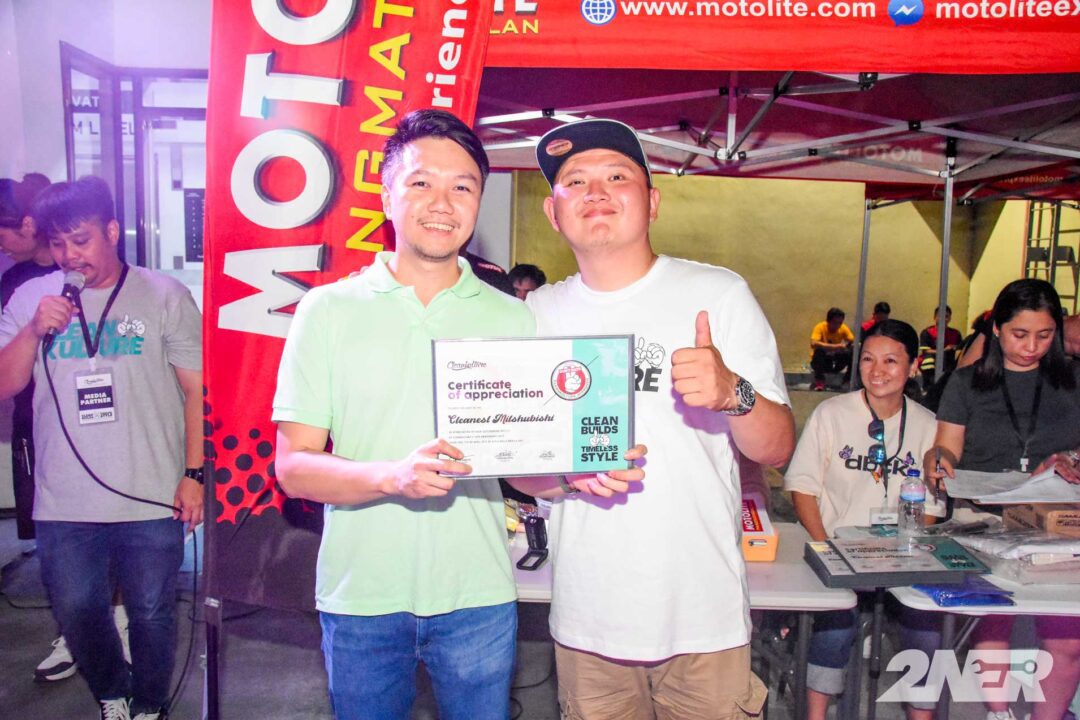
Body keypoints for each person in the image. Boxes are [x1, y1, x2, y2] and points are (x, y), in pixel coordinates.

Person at [271, 110, 643, 720]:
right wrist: (392, 476)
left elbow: (519, 470)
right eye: (421, 182)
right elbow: (294, 468)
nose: (442, 203)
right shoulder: (327, 311)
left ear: (477, 202)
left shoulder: (511, 317)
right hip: (362, 596)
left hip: (478, 597)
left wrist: (573, 473)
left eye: (463, 186)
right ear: (386, 195)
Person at [511, 118, 795, 719]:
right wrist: (565, 477)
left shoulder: (718, 295)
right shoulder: (535, 315)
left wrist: (733, 393)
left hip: (704, 623)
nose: (596, 192)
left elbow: (776, 449)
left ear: (653, 202)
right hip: (588, 624)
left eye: (618, 176)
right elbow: (517, 471)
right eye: (574, 181)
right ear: (553, 213)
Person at [0, 176, 203, 720]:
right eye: (59, 244)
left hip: (150, 492)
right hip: (64, 498)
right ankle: (113, 691)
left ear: (111, 231)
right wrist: (32, 333)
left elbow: (196, 390)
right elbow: (5, 383)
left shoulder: (165, 295)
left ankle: (150, 704)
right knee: (78, 609)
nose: (71, 256)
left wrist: (194, 474)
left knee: (152, 613)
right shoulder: (31, 299)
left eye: (81, 240)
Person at [925, 278, 1080, 720]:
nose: (1031, 347)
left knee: (1068, 638)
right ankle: (999, 712)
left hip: (1055, 520)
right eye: (1019, 334)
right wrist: (937, 461)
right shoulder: (967, 383)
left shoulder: (1073, 381)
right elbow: (946, 448)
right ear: (996, 329)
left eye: (1044, 335)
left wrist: (1070, 458)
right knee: (993, 620)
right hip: (984, 518)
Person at [785, 320, 945, 720]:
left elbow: (932, 507)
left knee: (925, 630)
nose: (877, 370)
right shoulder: (831, 413)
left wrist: (898, 553)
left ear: (913, 366)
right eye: (869, 359)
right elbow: (802, 486)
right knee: (834, 628)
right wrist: (825, 547)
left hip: (902, 559)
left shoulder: (929, 424)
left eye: (891, 361)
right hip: (837, 551)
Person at [810, 307, 855, 390]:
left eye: (840, 323)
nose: (837, 326)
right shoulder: (820, 327)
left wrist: (848, 346)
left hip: (836, 361)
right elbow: (813, 343)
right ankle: (819, 382)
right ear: (828, 321)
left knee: (853, 353)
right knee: (819, 352)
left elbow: (852, 340)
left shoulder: (843, 328)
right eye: (835, 323)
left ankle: (847, 381)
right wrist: (836, 347)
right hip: (822, 362)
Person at [917, 305, 962, 387]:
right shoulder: (927, 332)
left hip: (949, 361)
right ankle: (929, 386)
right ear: (935, 317)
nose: (944, 319)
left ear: (950, 318)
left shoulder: (956, 333)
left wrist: (954, 348)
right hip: (932, 361)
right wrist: (943, 351)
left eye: (947, 316)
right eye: (940, 316)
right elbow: (926, 351)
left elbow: (960, 350)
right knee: (928, 360)